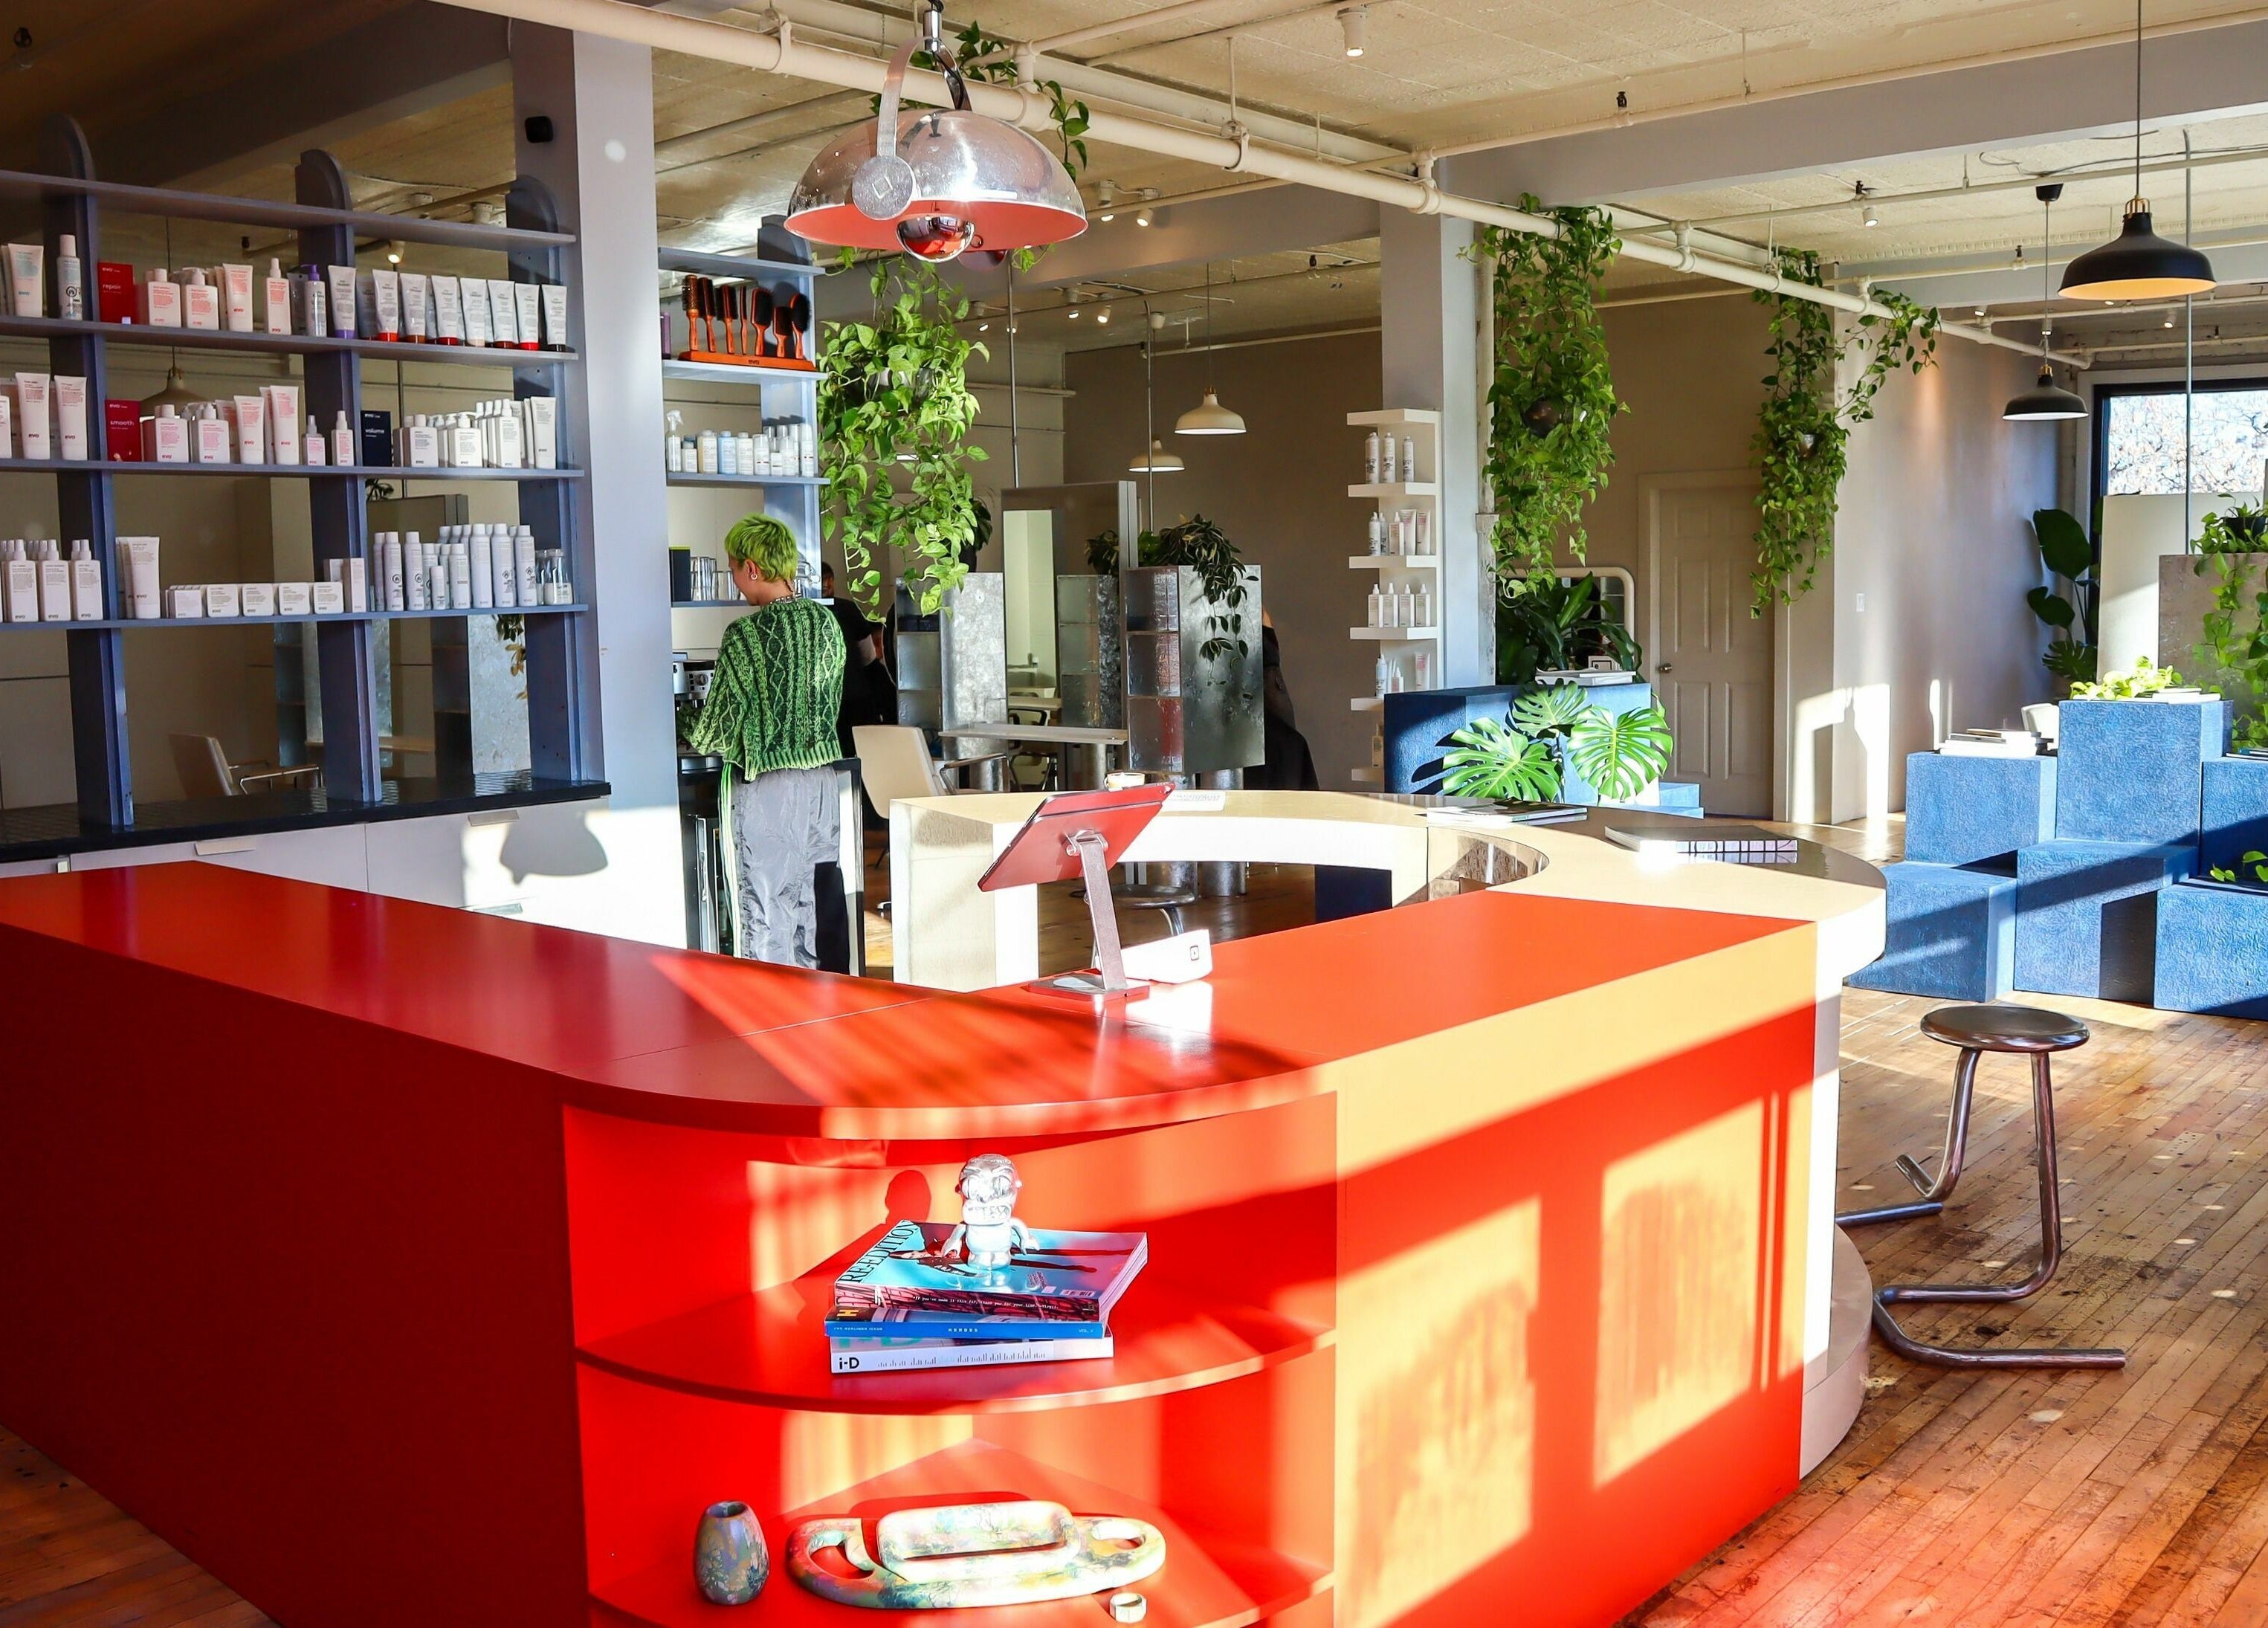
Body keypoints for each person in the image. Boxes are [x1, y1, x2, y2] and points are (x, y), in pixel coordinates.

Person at [686, 514, 846, 968]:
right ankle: (821, 1013)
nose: (736, 580)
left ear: (753, 568)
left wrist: (683, 727)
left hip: (768, 789)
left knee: (766, 907)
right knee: (814, 905)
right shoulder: (827, 624)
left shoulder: (744, 636)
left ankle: (769, 1017)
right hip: (821, 786)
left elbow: (714, 731)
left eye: (734, 568)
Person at [1255, 610, 1319, 790]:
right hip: (1266, 686)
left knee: (1290, 746)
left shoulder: (1258, 612)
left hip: (1270, 684)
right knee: (1286, 747)